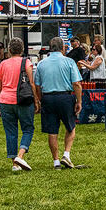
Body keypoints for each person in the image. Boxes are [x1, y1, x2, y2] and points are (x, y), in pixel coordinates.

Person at [33, 37, 82, 170]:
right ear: (63, 48)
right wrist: (79, 101)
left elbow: (37, 85)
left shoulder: (42, 63)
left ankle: (56, 162)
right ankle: (66, 154)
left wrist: (40, 98)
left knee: (52, 131)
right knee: (71, 128)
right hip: (65, 97)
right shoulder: (69, 62)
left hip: (48, 98)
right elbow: (76, 83)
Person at [0, 38, 38, 171]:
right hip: (23, 100)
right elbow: (31, 83)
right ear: (22, 49)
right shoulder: (27, 63)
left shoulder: (3, 64)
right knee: (28, 129)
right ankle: (20, 155)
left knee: (10, 131)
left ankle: (14, 163)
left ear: (9, 49)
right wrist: (36, 100)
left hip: (5, 101)